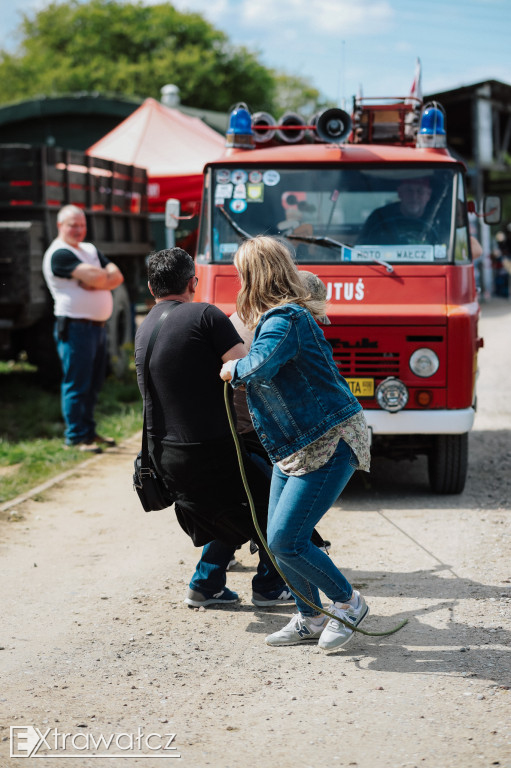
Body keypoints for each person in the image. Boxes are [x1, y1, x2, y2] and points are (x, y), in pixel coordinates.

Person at [220, 236, 371, 651]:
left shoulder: (285, 319)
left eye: (241, 273)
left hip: (328, 440)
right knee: (277, 540)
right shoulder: (279, 317)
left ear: (255, 276)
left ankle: (349, 602)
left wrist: (233, 366)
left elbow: (259, 364)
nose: (238, 281)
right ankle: (309, 616)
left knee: (288, 538)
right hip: (296, 445)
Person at [134, 247, 291, 609]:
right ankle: (269, 585)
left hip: (164, 456)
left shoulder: (145, 327)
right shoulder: (206, 315)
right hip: (209, 449)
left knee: (229, 508)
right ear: (193, 281)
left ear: (150, 287)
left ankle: (206, 585)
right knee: (275, 504)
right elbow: (247, 372)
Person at [42, 205, 123, 452]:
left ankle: (88, 432)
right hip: (76, 326)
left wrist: (97, 280)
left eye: (82, 225)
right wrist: (101, 280)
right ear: (60, 226)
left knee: (94, 382)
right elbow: (104, 278)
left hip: (96, 328)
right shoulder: (59, 254)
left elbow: (116, 276)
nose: (78, 230)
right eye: (72, 225)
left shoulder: (88, 249)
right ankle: (75, 437)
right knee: (77, 383)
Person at [358, 175, 436, 245]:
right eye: (409, 190)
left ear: (428, 195)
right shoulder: (379, 217)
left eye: (420, 191)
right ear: (400, 193)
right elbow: (361, 248)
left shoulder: (438, 219)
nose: (414, 197)